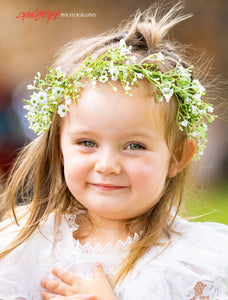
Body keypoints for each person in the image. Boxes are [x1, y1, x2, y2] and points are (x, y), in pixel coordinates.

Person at [0, 3, 227, 300]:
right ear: (59, 148)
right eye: (87, 143)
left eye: (135, 146)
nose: (107, 165)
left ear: (177, 157)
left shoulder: (195, 265)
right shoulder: (24, 246)